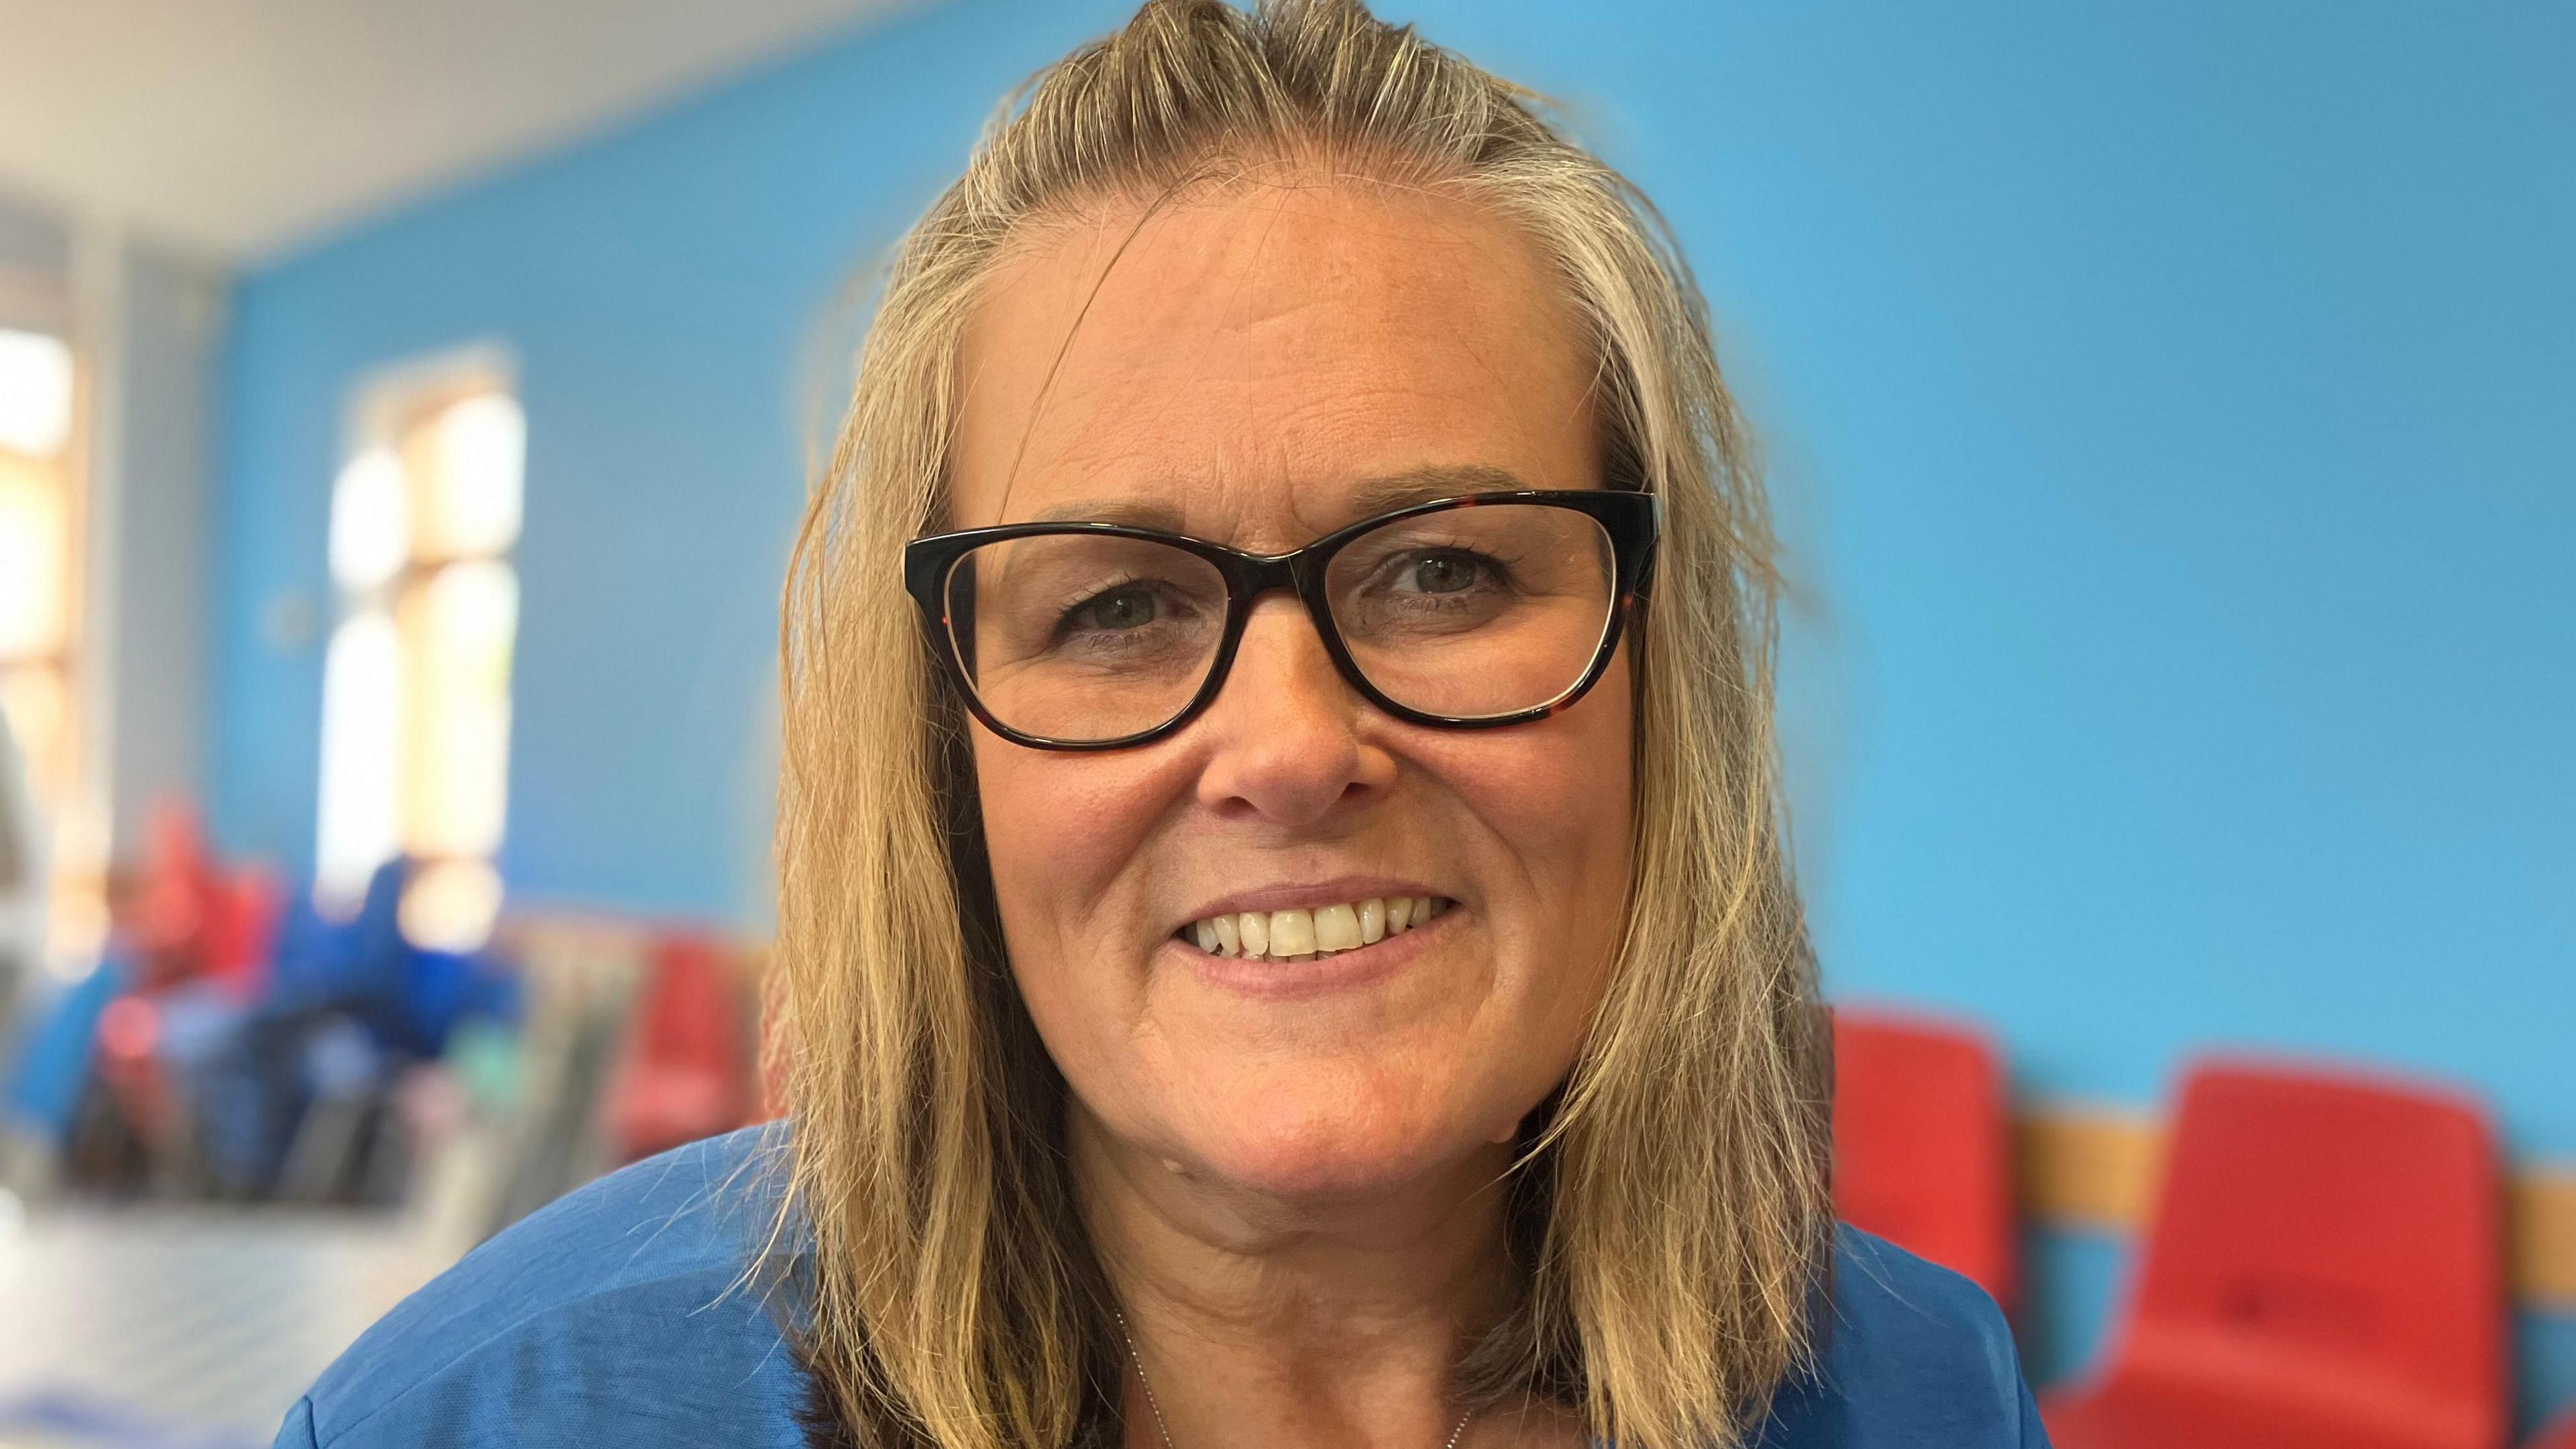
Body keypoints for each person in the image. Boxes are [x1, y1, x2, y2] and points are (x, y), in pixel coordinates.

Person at [278, 2, 2047, 1446]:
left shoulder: (1928, 1401)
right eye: (1115, 606)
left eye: (1442, 573)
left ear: (1657, 670)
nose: (1288, 748)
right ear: (941, 757)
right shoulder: (492, 1418)